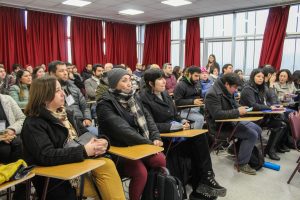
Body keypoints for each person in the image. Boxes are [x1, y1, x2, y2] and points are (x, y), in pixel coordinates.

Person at [21, 76, 125, 200]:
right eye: (57, 90)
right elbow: (46, 155)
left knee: (106, 164)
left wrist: (102, 141)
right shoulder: (33, 123)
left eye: (61, 89)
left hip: (78, 165)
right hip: (55, 176)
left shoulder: (66, 114)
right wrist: (84, 151)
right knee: (105, 180)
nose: (63, 93)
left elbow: (86, 135)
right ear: (44, 96)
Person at [140, 69, 227, 200]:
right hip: (162, 136)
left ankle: (206, 178)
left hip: (175, 130)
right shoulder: (143, 98)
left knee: (203, 137)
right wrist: (174, 126)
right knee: (197, 142)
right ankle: (204, 181)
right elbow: (149, 126)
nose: (164, 81)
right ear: (150, 83)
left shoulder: (164, 94)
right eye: (160, 79)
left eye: (164, 78)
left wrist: (181, 120)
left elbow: (175, 114)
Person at [97, 68, 166, 200]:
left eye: (129, 80)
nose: (129, 84)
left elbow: (148, 118)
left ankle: (150, 195)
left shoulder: (134, 96)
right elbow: (123, 130)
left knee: (160, 159)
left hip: (139, 144)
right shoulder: (104, 104)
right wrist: (149, 144)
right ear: (113, 84)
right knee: (140, 172)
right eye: (124, 81)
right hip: (118, 148)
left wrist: (155, 137)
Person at [205, 73, 262, 175]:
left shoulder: (226, 90)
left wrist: (241, 108)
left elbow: (234, 104)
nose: (236, 90)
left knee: (257, 129)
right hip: (220, 127)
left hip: (231, 121)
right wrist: (237, 112)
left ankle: (233, 149)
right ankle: (241, 164)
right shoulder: (212, 94)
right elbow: (217, 115)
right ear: (227, 84)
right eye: (234, 87)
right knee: (252, 134)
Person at [240, 68, 288, 160]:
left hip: (261, 116)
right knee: (279, 123)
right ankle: (240, 148)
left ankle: (270, 150)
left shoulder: (262, 88)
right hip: (249, 118)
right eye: (258, 76)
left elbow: (267, 102)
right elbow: (253, 106)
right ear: (252, 77)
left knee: (281, 124)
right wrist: (269, 108)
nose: (261, 79)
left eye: (262, 77)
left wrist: (273, 107)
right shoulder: (248, 89)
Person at [48, 60, 98, 136]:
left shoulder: (74, 87)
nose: (65, 73)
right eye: (61, 71)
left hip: (82, 123)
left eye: (66, 70)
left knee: (103, 137)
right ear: (52, 74)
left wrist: (87, 118)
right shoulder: (49, 91)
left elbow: (85, 106)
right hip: (65, 126)